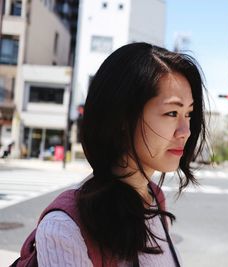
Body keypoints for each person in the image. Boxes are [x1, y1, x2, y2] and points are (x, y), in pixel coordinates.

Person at [34, 42, 207, 266]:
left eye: (189, 114)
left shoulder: (154, 200)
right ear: (123, 118)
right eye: (172, 113)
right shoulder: (64, 228)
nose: (185, 131)